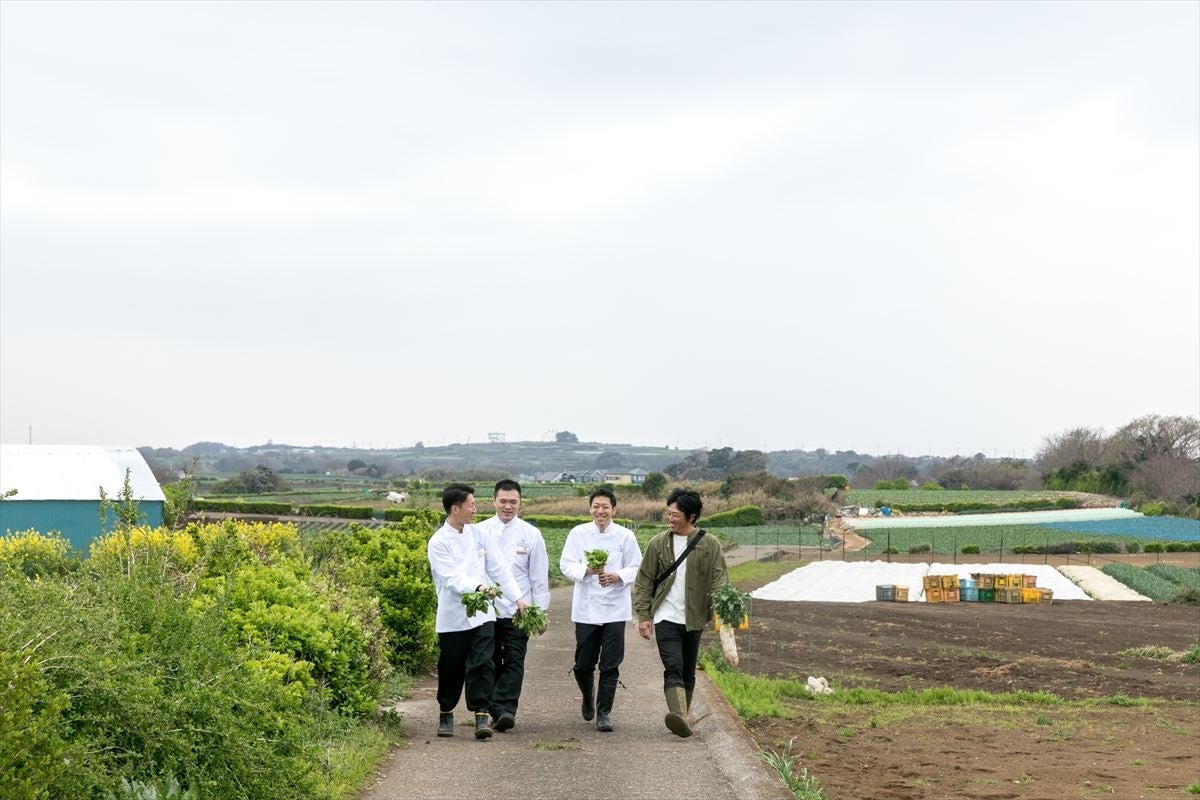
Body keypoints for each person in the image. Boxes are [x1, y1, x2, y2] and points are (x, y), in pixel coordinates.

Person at [427, 483, 526, 740]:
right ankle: (446, 712)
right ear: (455, 508)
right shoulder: (438, 542)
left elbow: (499, 568)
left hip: (482, 613)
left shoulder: (478, 535)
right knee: (452, 666)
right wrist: (479, 587)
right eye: (471, 504)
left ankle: (481, 715)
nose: (475, 509)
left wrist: (518, 597)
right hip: (453, 617)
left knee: (484, 663)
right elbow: (451, 578)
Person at [633, 487, 727, 738]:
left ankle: (682, 716)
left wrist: (723, 610)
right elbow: (644, 580)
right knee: (673, 665)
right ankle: (679, 715)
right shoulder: (658, 543)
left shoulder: (710, 544)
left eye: (675, 514)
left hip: (694, 617)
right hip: (665, 615)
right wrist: (644, 615)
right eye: (668, 513)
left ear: (692, 517)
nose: (670, 518)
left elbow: (719, 579)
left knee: (687, 669)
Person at [559, 487, 642, 732]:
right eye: (596, 506)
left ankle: (604, 712)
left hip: (615, 609)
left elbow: (637, 566)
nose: (600, 511)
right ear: (590, 509)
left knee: (610, 664)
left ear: (614, 510)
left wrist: (618, 576)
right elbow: (566, 563)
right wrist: (586, 571)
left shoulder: (625, 536)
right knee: (583, 665)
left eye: (605, 507)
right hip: (585, 608)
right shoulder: (578, 533)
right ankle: (587, 695)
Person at [475, 479, 551, 733]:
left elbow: (539, 579)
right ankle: (495, 709)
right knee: (490, 661)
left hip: (520, 611)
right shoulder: (480, 531)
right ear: (494, 501)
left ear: (520, 503)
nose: (508, 506)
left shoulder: (531, 534)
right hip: (486, 610)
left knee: (515, 660)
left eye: (513, 502)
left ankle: (505, 709)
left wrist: (538, 613)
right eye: (503, 501)